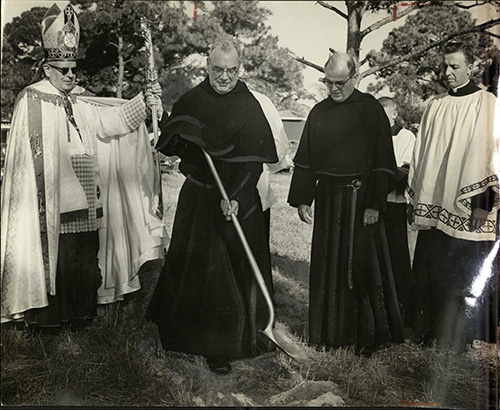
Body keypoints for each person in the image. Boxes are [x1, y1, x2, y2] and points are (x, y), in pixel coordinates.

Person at [1, 3, 167, 330]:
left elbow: (112, 122)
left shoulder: (80, 101)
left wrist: (144, 99)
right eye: (63, 69)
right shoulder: (31, 100)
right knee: (59, 260)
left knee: (83, 259)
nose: (71, 75)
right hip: (50, 203)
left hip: (87, 200)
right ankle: (47, 321)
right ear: (47, 68)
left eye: (73, 69)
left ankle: (80, 318)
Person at [147, 38, 283, 375]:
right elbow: (170, 143)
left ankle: (222, 346)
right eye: (217, 70)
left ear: (240, 68)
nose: (224, 77)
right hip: (200, 195)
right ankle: (184, 338)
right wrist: (174, 128)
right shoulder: (193, 99)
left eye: (231, 70)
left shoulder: (250, 106)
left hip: (237, 197)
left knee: (227, 276)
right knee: (194, 268)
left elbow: (254, 163)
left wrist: (235, 197)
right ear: (207, 67)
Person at [288, 52, 400, 355]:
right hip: (327, 200)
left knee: (361, 269)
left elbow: (382, 163)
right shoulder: (319, 112)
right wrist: (302, 199)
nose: (334, 88)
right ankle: (328, 334)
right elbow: (306, 159)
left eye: (340, 82)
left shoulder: (372, 110)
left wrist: (375, 204)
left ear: (356, 78)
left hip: (361, 200)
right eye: (328, 82)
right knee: (327, 267)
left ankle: (367, 338)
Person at [406, 41, 499, 351]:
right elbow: (422, 154)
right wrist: (417, 198)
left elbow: (492, 154)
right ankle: (427, 332)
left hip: (468, 206)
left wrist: (482, 202)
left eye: (455, 66)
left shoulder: (486, 103)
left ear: (470, 67)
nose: (447, 72)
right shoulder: (435, 105)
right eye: (444, 66)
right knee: (431, 268)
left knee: (461, 273)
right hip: (434, 204)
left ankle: (459, 340)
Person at [377, 97, 415, 325]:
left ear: (394, 114)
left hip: (393, 204)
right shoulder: (372, 135)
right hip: (373, 205)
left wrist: (379, 182)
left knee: (396, 254)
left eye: (385, 113)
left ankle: (402, 306)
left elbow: (404, 170)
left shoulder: (405, 136)